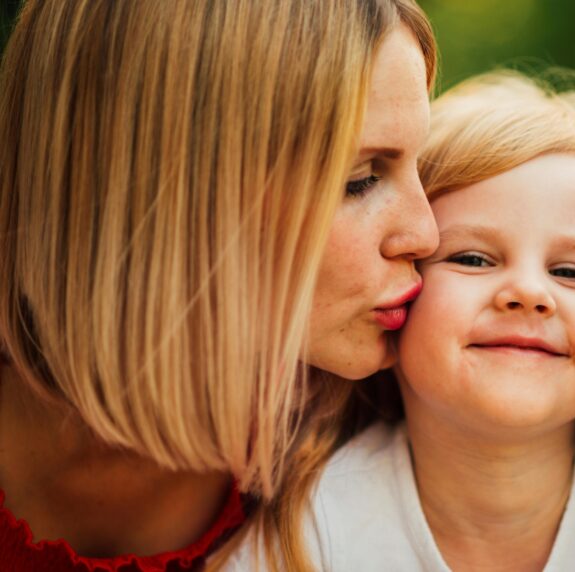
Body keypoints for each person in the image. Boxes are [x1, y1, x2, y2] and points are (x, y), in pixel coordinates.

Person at [228, 70, 575, 571]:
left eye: (570, 271)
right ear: (394, 303)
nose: (527, 293)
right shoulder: (316, 528)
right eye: (472, 259)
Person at [0, 1, 437, 571]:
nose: (425, 234)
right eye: (360, 180)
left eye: (421, 169)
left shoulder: (393, 418)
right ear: (161, 191)